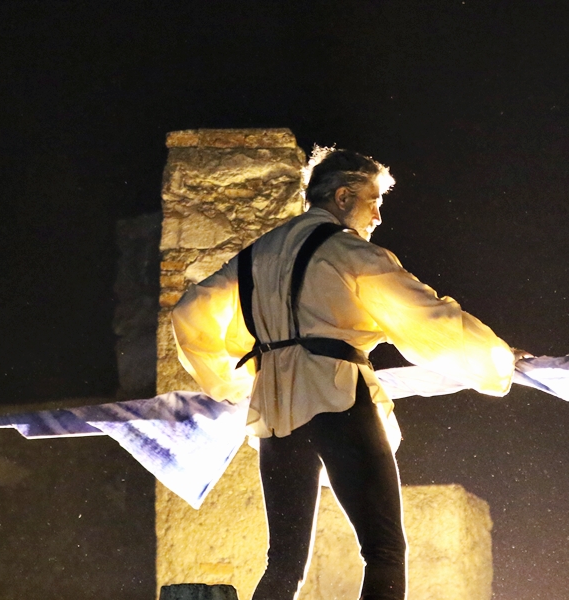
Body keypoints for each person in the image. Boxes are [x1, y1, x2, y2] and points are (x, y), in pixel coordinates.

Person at [171, 148, 516, 600]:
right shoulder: (346, 250)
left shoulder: (256, 256)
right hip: (337, 400)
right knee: (385, 549)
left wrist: (238, 376)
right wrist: (498, 357)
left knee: (284, 563)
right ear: (341, 197)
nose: (376, 216)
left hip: (275, 412)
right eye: (373, 202)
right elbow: (426, 315)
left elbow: (188, 311)